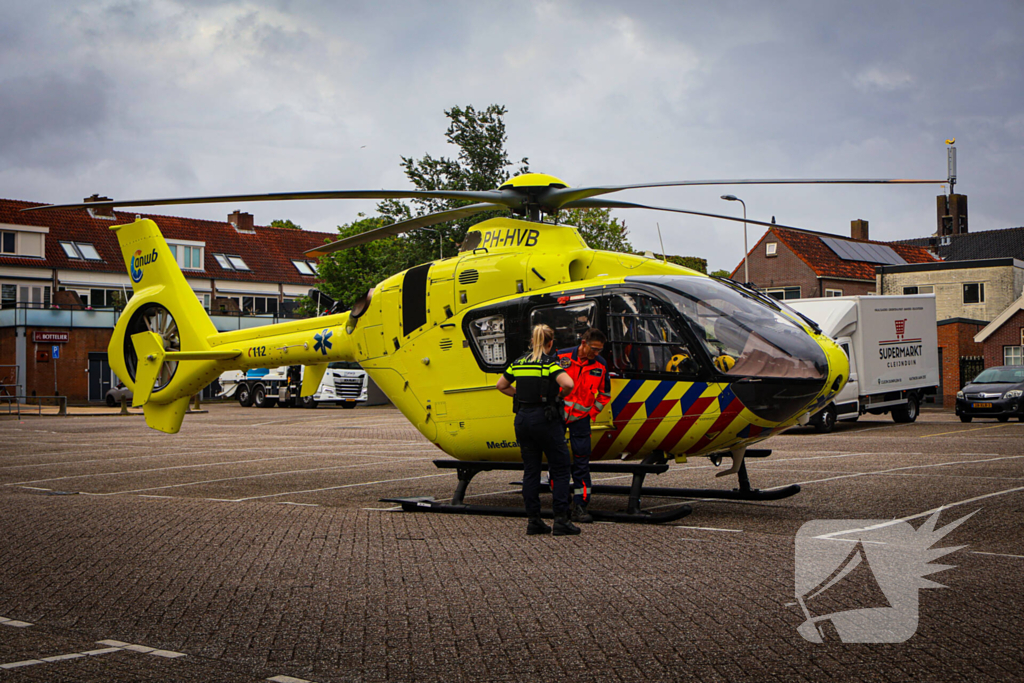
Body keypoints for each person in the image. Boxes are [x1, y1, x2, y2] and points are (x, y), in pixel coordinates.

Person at [496, 324, 580, 536]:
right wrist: (559, 397)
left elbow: (501, 385)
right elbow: (568, 383)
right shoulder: (550, 364)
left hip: (523, 419)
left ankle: (534, 521)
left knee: (531, 470)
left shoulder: (519, 362)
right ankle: (561, 520)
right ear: (550, 343)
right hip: (546, 418)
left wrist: (520, 396)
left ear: (532, 342)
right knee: (560, 469)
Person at [557, 328, 611, 523]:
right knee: (558, 461)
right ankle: (561, 505)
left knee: (582, 462)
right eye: (594, 349)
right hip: (558, 417)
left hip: (582, 419)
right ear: (583, 343)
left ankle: (581, 505)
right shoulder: (560, 357)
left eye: (599, 350)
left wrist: (592, 412)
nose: (596, 354)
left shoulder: (600, 365)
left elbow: (604, 395)